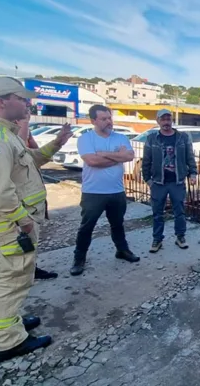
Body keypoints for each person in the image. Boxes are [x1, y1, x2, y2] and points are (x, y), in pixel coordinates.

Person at [0, 76, 73, 362]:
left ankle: (1, 326)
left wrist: (56, 144)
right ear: (1, 102)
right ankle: (8, 341)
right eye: (21, 98)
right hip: (9, 224)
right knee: (13, 279)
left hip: (7, 223)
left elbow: (29, 162)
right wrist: (23, 221)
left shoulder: (4, 132)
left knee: (3, 275)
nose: (27, 103)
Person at [0, 111, 58, 283]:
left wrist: (58, 141)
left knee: (24, 251)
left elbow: (33, 152)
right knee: (4, 266)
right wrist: (23, 220)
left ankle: (29, 270)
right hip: (7, 210)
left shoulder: (11, 135)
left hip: (24, 201)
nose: (25, 117)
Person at [70, 105, 140, 276]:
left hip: (116, 191)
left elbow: (129, 156)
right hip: (93, 192)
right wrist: (117, 157)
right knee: (87, 227)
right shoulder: (86, 139)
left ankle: (122, 250)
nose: (109, 121)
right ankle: (79, 259)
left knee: (117, 224)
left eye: (109, 118)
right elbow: (92, 161)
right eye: (104, 119)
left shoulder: (121, 137)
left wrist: (103, 154)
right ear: (93, 121)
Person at [142, 109, 198, 252]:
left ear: (171, 120)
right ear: (158, 121)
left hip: (177, 181)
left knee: (179, 211)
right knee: (157, 212)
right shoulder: (152, 138)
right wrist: (147, 179)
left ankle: (180, 237)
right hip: (158, 182)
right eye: (163, 119)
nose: (166, 122)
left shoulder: (182, 137)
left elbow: (189, 156)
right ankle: (157, 239)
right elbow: (146, 160)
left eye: (168, 119)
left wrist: (193, 173)